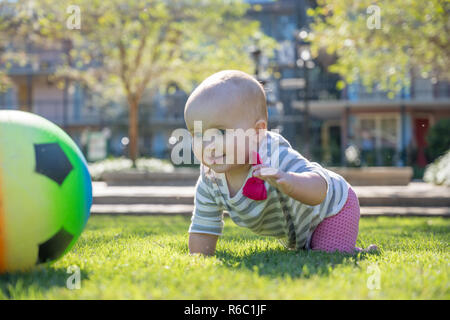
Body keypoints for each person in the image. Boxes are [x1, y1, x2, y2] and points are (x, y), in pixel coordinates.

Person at [184, 70, 377, 256]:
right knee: (308, 249)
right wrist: (199, 259)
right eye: (198, 134)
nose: (208, 144)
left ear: (257, 132)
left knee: (326, 255)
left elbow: (320, 187)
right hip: (300, 224)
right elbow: (204, 223)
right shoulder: (210, 177)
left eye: (221, 132)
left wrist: (290, 181)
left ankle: (348, 250)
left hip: (333, 208)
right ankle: (343, 247)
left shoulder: (273, 156)